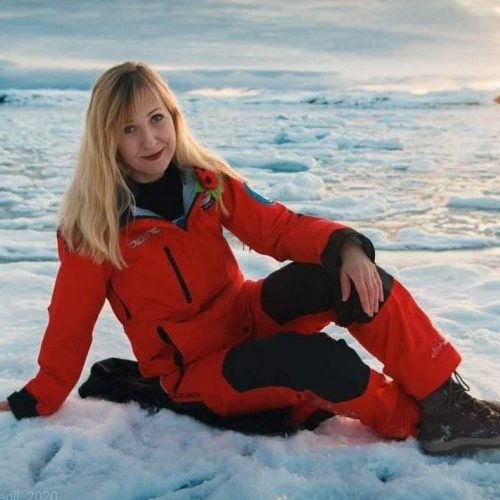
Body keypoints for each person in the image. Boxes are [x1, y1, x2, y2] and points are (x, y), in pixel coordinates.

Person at [1, 61, 499, 456]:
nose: (150, 140)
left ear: (173, 117)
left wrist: (347, 247)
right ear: (106, 139)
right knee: (311, 359)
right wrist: (35, 398)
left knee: (347, 276)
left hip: (245, 315)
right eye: (129, 129)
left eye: (156, 119)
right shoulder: (94, 229)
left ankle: (446, 401)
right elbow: (70, 324)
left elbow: (279, 228)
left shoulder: (206, 184)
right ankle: (419, 423)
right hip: (196, 372)